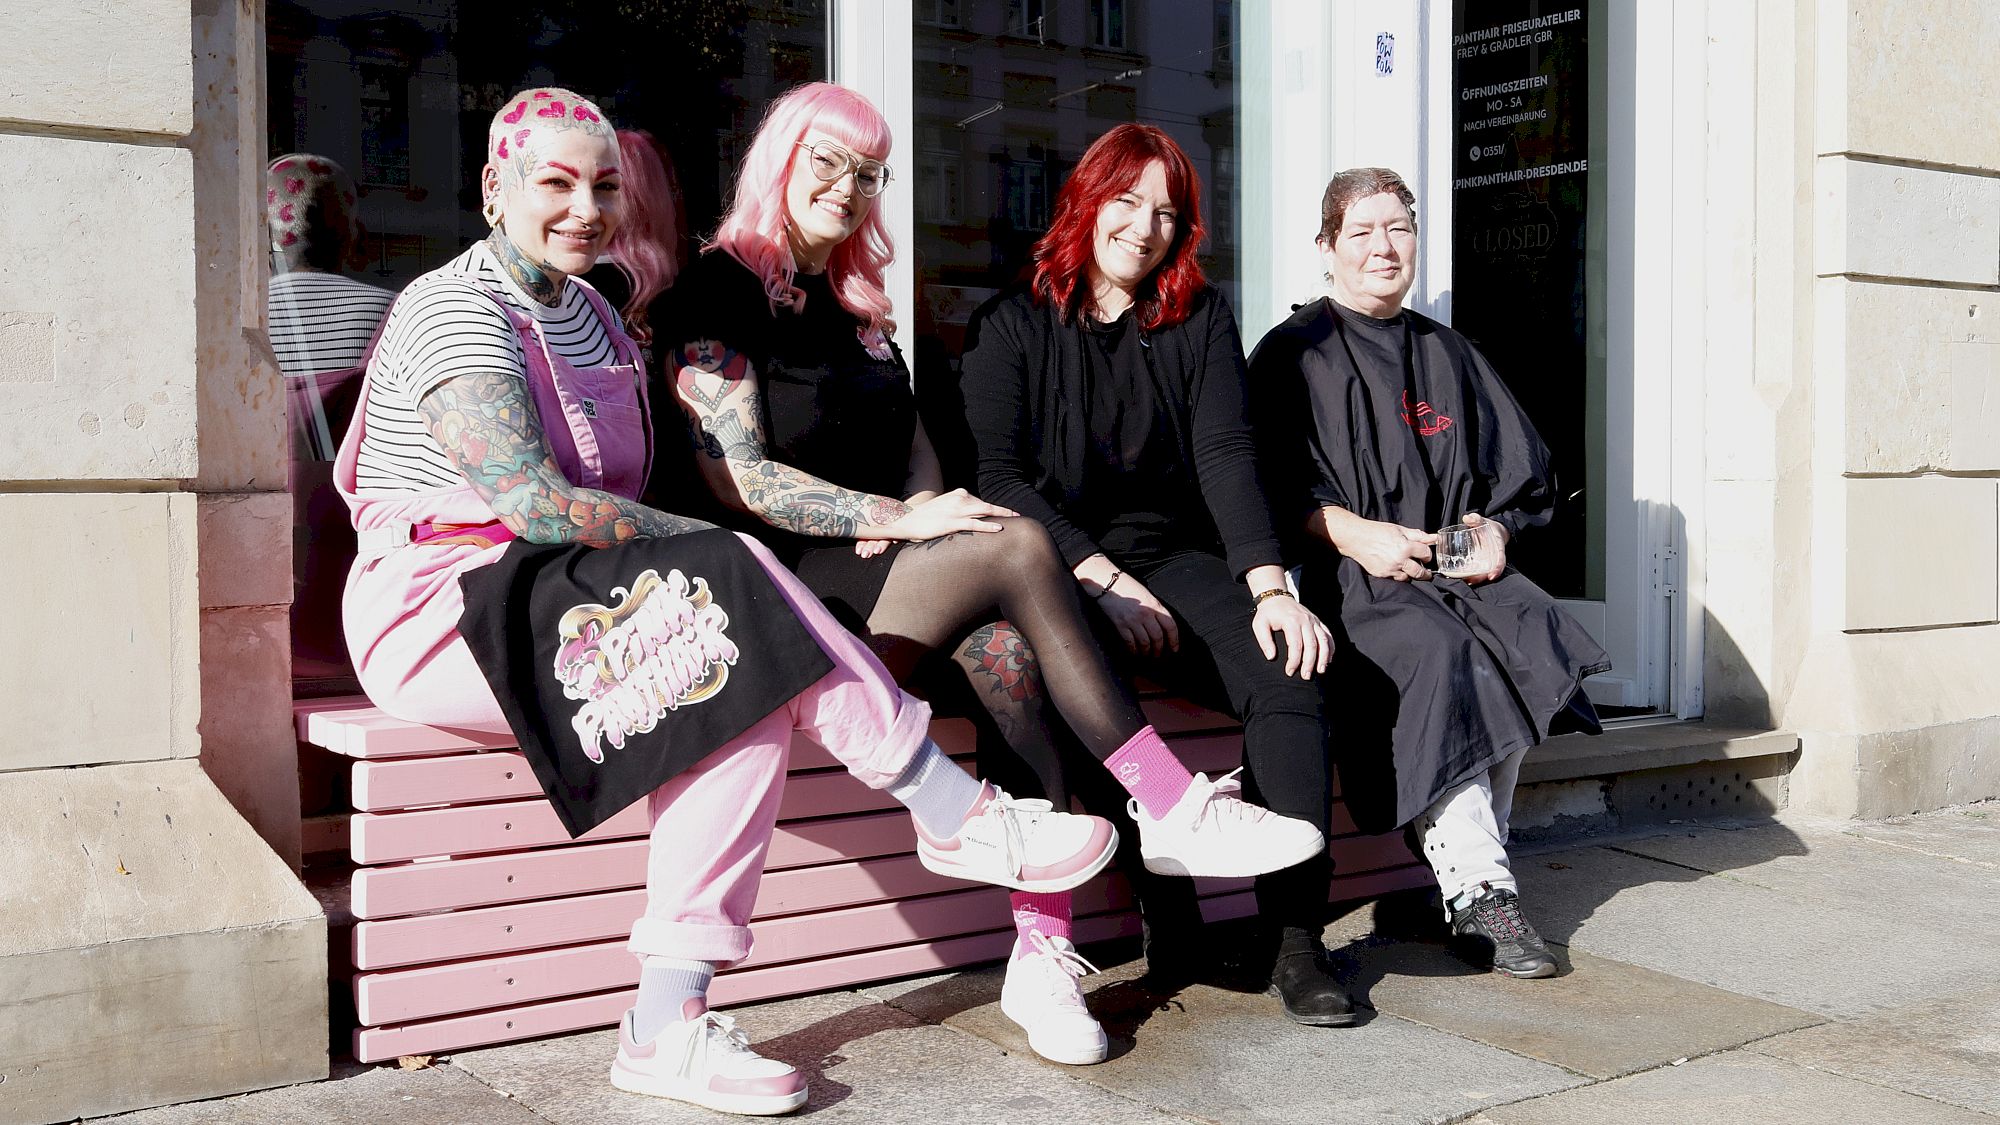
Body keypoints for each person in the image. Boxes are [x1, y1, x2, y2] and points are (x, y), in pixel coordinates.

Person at [335, 85, 1120, 1117]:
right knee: (733, 597)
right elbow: (530, 501)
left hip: (553, 593)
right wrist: (725, 552)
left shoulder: (589, 314)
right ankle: (951, 809)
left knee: (736, 666)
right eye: (555, 184)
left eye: (603, 187)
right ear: (495, 188)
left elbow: (639, 488)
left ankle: (666, 1025)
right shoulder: (454, 306)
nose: (584, 208)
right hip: (443, 609)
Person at [666, 82, 1327, 1063]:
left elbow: (921, 444)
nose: (847, 189)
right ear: (776, 160)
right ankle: (1169, 803)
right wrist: (910, 522)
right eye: (825, 163)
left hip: (890, 574)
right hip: (781, 581)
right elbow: (740, 481)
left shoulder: (855, 308)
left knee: (1012, 652)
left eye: (867, 174)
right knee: (1018, 541)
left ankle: (1042, 954)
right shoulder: (714, 291)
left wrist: (935, 515)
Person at [958, 123, 1356, 1027]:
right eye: (1127, 202)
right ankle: (1169, 919)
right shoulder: (1011, 321)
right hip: (1051, 563)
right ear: (1087, 201)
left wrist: (1267, 585)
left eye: (1167, 213)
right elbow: (1000, 478)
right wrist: (1095, 572)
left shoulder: (1197, 316)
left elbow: (1224, 451)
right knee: (1077, 679)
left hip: (1175, 554)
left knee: (1288, 671)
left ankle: (1294, 935)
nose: (1144, 227)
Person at [1246, 167, 1611, 979]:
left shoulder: (1446, 351)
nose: (1384, 247)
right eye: (1364, 231)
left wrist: (1494, 528)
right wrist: (1348, 530)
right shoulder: (1291, 353)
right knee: (1451, 658)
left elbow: (1521, 477)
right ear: (1328, 248)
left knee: (1531, 631)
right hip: (1358, 581)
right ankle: (1480, 889)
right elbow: (1258, 490)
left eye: (1400, 229)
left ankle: (1473, 875)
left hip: (1452, 569)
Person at [266, 153, 396, 689]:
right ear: (354, 233)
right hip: (360, 588)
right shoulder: (395, 314)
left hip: (257, 575)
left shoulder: (230, 321)